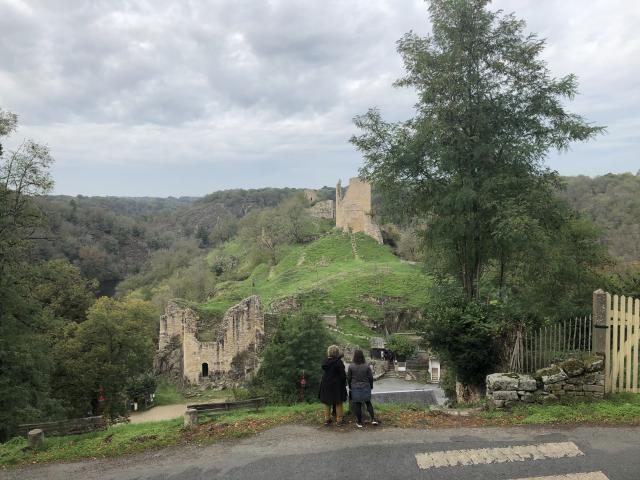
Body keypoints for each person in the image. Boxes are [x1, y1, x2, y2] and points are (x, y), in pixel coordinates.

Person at [347, 349, 379, 428]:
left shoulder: (351, 366)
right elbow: (371, 378)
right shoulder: (366, 366)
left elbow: (349, 378)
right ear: (362, 356)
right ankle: (373, 419)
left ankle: (359, 422)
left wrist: (350, 387)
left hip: (355, 387)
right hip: (366, 386)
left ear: (354, 356)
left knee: (357, 404)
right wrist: (371, 386)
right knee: (368, 403)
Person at [319, 344, 347, 426]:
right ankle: (339, 420)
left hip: (326, 384)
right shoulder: (339, 362)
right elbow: (343, 375)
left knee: (327, 402)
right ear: (337, 353)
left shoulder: (325, 361)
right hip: (337, 385)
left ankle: (327, 420)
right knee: (338, 402)